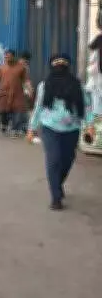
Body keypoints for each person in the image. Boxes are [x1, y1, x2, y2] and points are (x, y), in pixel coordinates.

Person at [27, 55, 95, 211]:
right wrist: (32, 128)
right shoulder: (45, 86)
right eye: (56, 63)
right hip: (49, 128)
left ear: (68, 66)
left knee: (68, 159)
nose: (60, 66)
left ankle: (57, 183)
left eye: (63, 63)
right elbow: (38, 108)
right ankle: (56, 197)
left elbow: (87, 106)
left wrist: (90, 125)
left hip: (72, 129)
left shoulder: (78, 86)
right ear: (51, 66)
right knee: (54, 160)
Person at [0, 50, 29, 136]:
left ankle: (15, 129)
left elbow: (26, 80)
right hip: (3, 94)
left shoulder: (21, 68)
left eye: (9, 56)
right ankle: (4, 124)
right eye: (6, 57)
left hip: (17, 94)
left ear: (14, 57)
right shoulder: (1, 68)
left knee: (18, 111)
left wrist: (29, 89)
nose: (7, 58)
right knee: (2, 111)